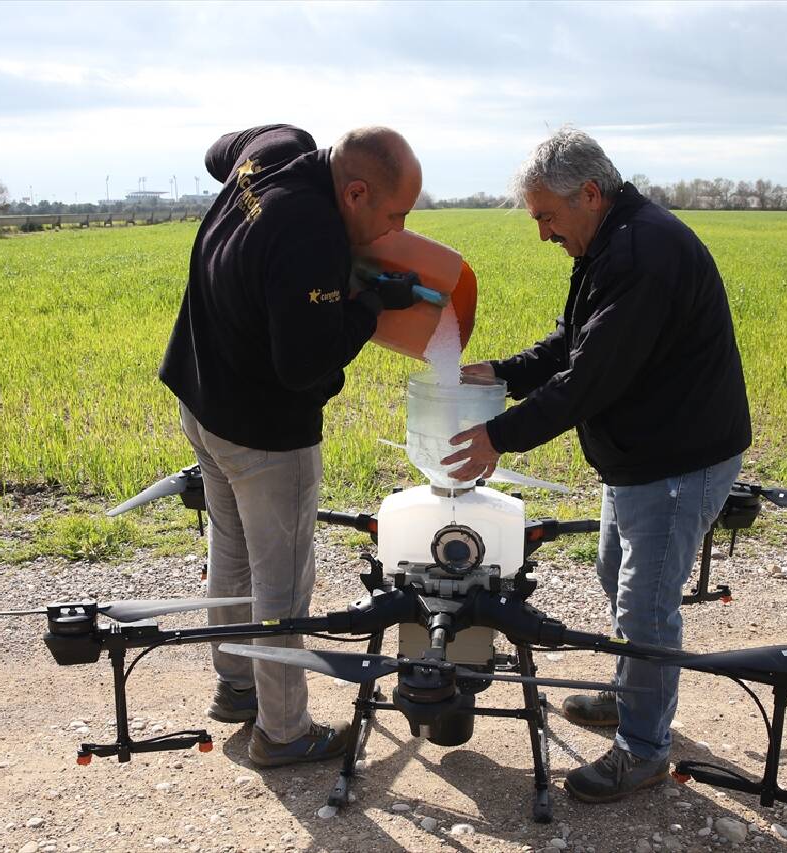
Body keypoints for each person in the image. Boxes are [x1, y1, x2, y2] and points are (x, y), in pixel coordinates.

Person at [443, 127, 751, 802]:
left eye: (547, 217)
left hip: (678, 459)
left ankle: (642, 749)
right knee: (617, 573)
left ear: (589, 193)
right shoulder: (615, 239)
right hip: (641, 457)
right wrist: (503, 371)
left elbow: (590, 378)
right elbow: (573, 339)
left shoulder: (643, 253)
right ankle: (628, 695)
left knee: (645, 607)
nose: (544, 234)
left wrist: (497, 435)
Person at [159, 124, 423, 767]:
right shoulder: (311, 236)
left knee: (233, 548)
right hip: (263, 433)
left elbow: (216, 152)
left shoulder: (278, 146)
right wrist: (365, 307)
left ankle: (237, 686)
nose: (395, 231)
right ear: (355, 191)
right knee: (281, 583)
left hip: (202, 397)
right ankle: (282, 733)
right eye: (393, 216)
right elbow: (305, 369)